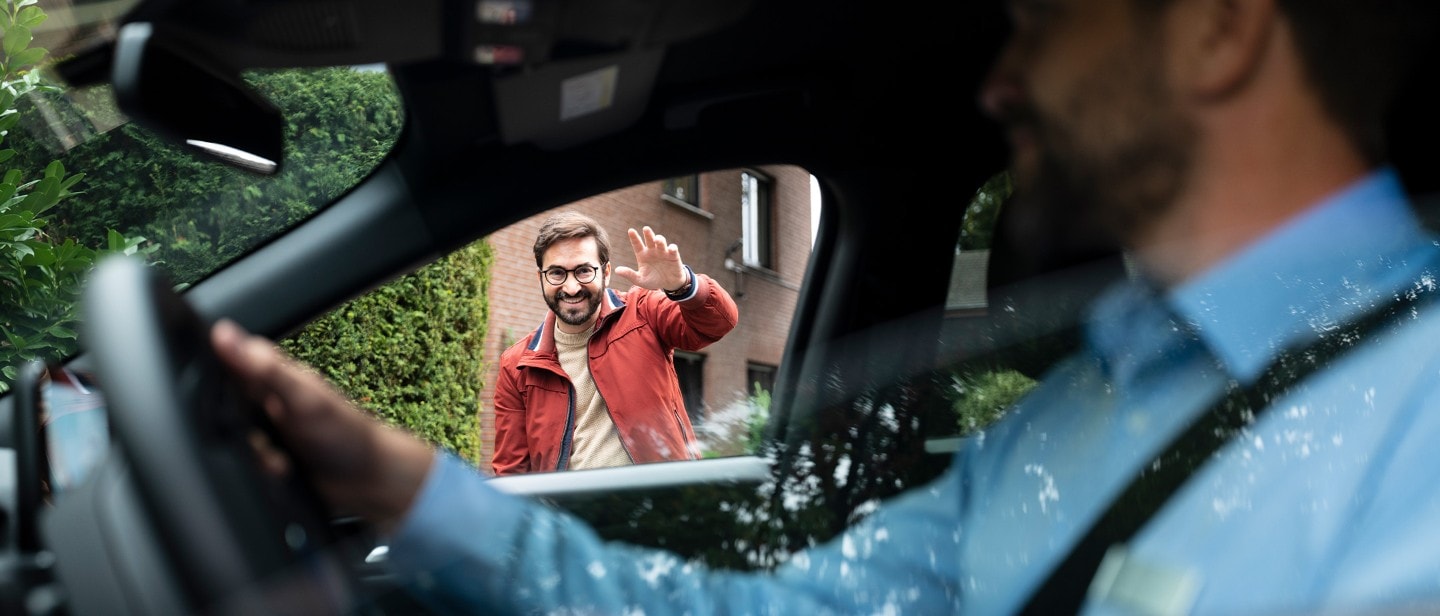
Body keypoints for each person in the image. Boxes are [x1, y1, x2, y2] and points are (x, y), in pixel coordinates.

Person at [210, 0, 1440, 613]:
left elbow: (697, 323)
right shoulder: (1076, 413)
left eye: (1047, 21)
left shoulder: (1419, 432)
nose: (1001, 80)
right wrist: (402, 485)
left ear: (1219, 29)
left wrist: (681, 281)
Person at [490, 212, 738, 475]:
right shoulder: (516, 365)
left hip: (662, 502)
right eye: (557, 273)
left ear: (606, 272)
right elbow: (512, 472)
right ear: (541, 277)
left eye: (584, 271)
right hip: (573, 512)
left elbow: (720, 322)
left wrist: (682, 285)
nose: (571, 287)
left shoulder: (643, 312)